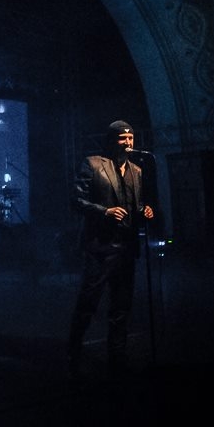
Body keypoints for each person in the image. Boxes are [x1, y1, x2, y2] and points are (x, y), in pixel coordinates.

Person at [68, 120, 154, 381]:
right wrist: (104, 211)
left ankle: (117, 357)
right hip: (100, 248)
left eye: (131, 138)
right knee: (89, 302)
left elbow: (135, 205)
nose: (128, 143)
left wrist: (145, 211)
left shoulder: (137, 170)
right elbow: (76, 200)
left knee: (121, 306)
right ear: (111, 140)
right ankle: (73, 351)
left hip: (126, 248)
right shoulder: (93, 164)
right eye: (122, 138)